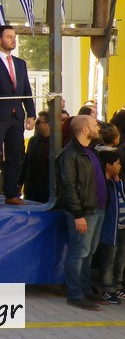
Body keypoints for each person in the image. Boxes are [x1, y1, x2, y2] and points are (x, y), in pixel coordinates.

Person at [0, 25, 36, 208]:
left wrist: (31, 113)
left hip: (17, 116)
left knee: (15, 156)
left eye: (14, 36)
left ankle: (11, 193)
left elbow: (26, 90)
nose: (13, 39)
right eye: (9, 36)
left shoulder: (20, 63)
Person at [56, 115, 107, 310]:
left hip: (97, 209)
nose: (98, 128)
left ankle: (85, 290)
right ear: (85, 129)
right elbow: (68, 187)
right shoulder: (69, 155)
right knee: (79, 252)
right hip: (84, 212)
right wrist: (78, 214)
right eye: (94, 125)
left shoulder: (90, 151)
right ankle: (75, 294)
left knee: (89, 252)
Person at [96, 149, 125, 304]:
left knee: (120, 258)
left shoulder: (117, 182)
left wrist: (118, 183)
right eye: (117, 163)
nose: (120, 166)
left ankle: (118, 285)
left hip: (121, 227)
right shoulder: (102, 184)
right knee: (109, 259)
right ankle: (108, 288)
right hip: (110, 229)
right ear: (108, 165)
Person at [18, 111, 51, 203]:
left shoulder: (57, 142)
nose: (35, 125)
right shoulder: (33, 141)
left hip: (48, 187)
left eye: (38, 122)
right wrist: (19, 183)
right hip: (32, 187)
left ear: (47, 124)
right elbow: (26, 163)